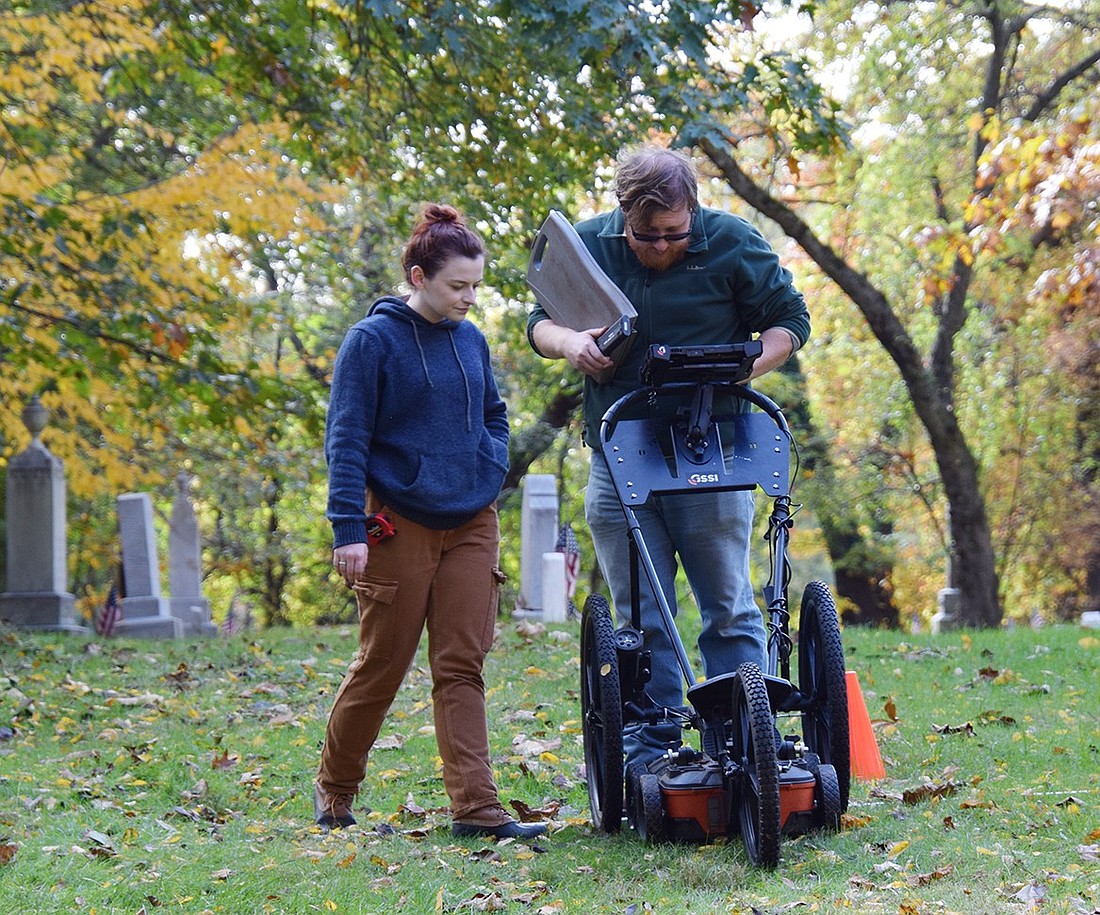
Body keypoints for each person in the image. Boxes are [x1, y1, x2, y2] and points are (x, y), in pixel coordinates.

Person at [527, 146, 810, 767]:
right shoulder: (591, 246)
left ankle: (743, 736)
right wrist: (571, 342)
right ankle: (650, 745)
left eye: (673, 234)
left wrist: (739, 368)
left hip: (711, 449)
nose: (658, 246)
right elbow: (538, 322)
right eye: (644, 235)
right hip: (619, 452)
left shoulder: (734, 243)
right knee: (641, 611)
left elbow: (790, 321)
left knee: (727, 603)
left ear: (694, 210)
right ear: (624, 213)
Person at [316, 203, 547, 841]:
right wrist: (348, 527)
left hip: (471, 520)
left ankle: (476, 810)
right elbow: (346, 438)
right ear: (418, 277)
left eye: (476, 285)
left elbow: (494, 414)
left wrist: (489, 464)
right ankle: (335, 791)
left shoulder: (471, 339)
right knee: (383, 662)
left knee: (461, 663)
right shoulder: (371, 342)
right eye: (458, 285)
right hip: (397, 521)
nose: (470, 297)